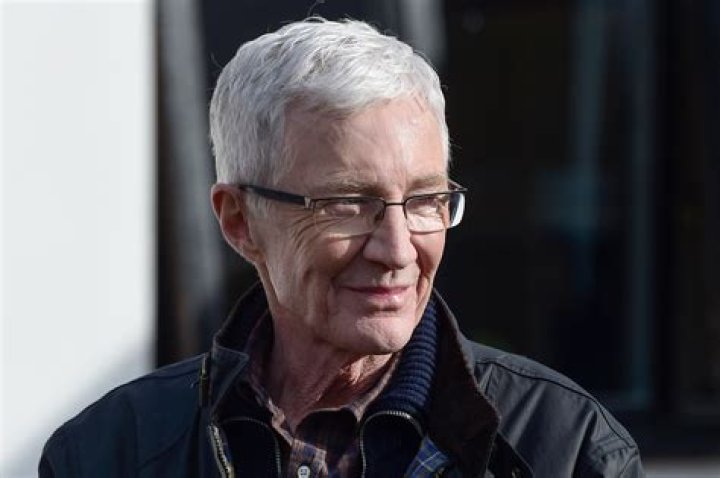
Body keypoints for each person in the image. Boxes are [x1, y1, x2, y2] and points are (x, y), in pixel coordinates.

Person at [40, 18, 644, 477]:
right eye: (347, 203)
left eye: (425, 200)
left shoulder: (567, 449)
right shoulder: (110, 452)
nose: (397, 250)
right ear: (239, 220)